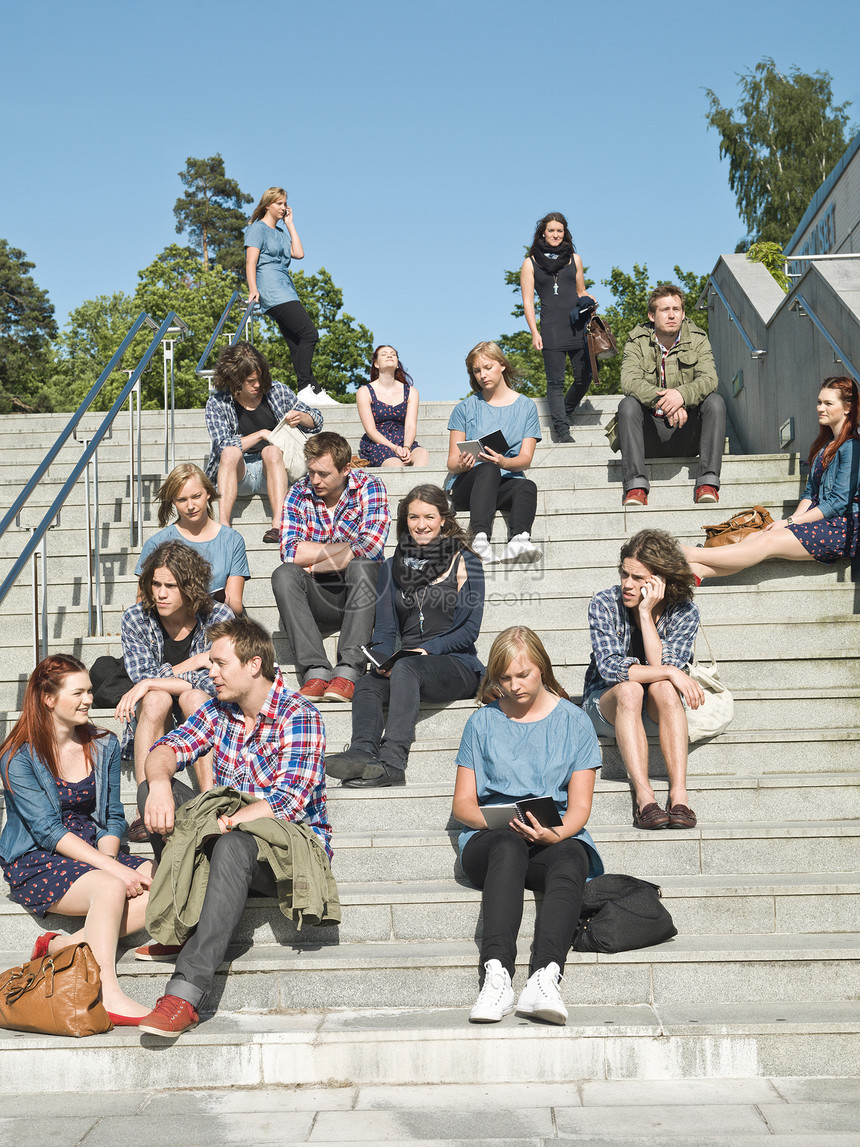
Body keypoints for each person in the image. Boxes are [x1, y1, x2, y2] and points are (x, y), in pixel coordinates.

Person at [135, 616, 333, 1037]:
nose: (210, 672)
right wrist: (157, 784)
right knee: (153, 795)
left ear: (254, 664)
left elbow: (289, 802)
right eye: (211, 664)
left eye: (220, 664)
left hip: (285, 849)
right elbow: (166, 747)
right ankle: (187, 915)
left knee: (234, 845)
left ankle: (184, 995)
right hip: (228, 828)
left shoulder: (299, 715)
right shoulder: (218, 712)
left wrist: (231, 821)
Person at [452, 627, 603, 1025]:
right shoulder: (481, 723)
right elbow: (463, 805)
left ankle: (545, 976)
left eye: (524, 675)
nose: (515, 686)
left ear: (543, 669)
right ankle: (497, 975)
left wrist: (556, 833)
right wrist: (501, 820)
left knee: (572, 854)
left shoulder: (574, 722)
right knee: (507, 844)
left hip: (552, 837)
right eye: (505, 678)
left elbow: (580, 806)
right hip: (491, 840)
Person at [0, 656, 154, 1025]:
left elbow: (113, 816)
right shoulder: (17, 757)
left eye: (90, 691)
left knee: (166, 877)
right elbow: (48, 831)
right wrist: (113, 872)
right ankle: (106, 992)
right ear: (49, 699)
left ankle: (63, 945)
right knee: (109, 887)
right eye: (79, 692)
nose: (89, 699)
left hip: (91, 845)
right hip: (37, 855)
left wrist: (109, 857)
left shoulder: (104, 744)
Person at [325, 484, 485, 788]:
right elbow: (386, 629)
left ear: (443, 520)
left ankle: (393, 762)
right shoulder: (390, 567)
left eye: (428, 516)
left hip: (456, 664)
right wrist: (383, 660)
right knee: (369, 683)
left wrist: (427, 650)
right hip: (406, 666)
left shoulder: (467, 562)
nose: (421, 525)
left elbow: (469, 630)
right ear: (405, 521)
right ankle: (362, 753)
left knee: (408, 667)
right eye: (413, 517)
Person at [683, 378, 860, 582]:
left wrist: (791, 522)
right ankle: (697, 571)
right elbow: (810, 493)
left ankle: (691, 554)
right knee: (753, 537)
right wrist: (790, 523)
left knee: (767, 541)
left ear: (848, 408)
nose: (820, 408)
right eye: (819, 402)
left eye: (828, 403)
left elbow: (837, 503)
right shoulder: (824, 448)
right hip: (820, 523)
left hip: (842, 529)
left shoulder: (852, 448)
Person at [583, 530, 702, 831]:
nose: (627, 584)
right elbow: (610, 668)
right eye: (625, 574)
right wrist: (671, 671)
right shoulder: (605, 603)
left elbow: (665, 669)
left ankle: (678, 794)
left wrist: (646, 615)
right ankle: (645, 798)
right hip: (607, 705)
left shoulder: (684, 612)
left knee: (663, 686)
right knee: (630, 690)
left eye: (637, 578)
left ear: (661, 580)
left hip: (658, 711)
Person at [271, 431, 391, 703]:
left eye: (323, 474)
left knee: (362, 564)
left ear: (346, 469)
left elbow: (370, 547)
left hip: (360, 595)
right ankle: (316, 671)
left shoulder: (370, 487)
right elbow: (290, 552)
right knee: (284, 575)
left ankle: (348, 670)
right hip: (318, 597)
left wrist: (314, 563)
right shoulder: (298, 493)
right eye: (312, 472)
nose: (315, 480)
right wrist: (344, 550)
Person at [117, 541, 233, 795]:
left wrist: (152, 682)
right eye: (156, 584)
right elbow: (142, 678)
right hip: (157, 715)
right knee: (156, 698)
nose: (160, 594)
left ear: (190, 588)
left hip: (205, 714)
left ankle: (211, 799)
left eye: (170, 586)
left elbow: (218, 683)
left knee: (194, 697)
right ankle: (144, 803)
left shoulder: (218, 616)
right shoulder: (136, 618)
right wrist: (195, 663)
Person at [617, 284, 725, 507]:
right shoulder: (636, 340)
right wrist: (666, 402)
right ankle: (636, 487)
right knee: (627, 405)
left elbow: (709, 378)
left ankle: (707, 483)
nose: (672, 314)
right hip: (650, 435)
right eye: (665, 309)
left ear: (683, 313)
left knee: (715, 402)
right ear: (651, 315)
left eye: (676, 309)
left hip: (686, 432)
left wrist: (682, 396)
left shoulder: (698, 338)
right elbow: (629, 381)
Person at [205, 341, 323, 544]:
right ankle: (224, 526)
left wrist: (301, 417)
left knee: (272, 452)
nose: (257, 385)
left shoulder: (277, 391)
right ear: (234, 380)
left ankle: (278, 524)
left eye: (259, 378)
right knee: (230, 453)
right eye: (250, 381)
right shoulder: (218, 403)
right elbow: (222, 444)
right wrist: (261, 434)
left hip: (276, 469)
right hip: (239, 473)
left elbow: (317, 419)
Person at [446, 342, 542, 564]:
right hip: (467, 487)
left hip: (503, 482)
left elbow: (525, 460)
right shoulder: (465, 408)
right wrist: (463, 464)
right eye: (477, 370)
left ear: (502, 365)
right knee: (488, 469)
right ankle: (479, 540)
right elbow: (451, 462)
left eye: (487, 367)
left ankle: (519, 540)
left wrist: (504, 462)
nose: (482, 375)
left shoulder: (526, 407)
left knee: (527, 485)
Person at [245, 186, 334, 403]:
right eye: (280, 204)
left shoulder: (281, 232)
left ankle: (314, 389)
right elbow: (251, 261)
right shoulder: (257, 229)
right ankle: (304, 387)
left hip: (286, 287)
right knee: (309, 334)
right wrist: (253, 288)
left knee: (296, 341)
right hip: (271, 287)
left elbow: (299, 253)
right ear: (268, 205)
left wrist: (290, 224)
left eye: (285, 204)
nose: (284, 207)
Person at [520, 212, 596, 443]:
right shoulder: (530, 263)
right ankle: (562, 429)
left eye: (559, 231)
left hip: (577, 325)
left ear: (565, 233)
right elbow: (527, 302)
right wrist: (535, 332)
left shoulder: (575, 259)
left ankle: (564, 409)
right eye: (551, 230)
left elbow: (580, 290)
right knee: (555, 382)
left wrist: (588, 298)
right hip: (551, 328)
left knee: (586, 375)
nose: (555, 234)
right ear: (543, 232)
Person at [136, 463, 249, 614]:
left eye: (196, 496)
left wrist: (226, 602)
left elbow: (236, 604)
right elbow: (141, 602)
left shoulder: (232, 540)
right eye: (182, 500)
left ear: (208, 492)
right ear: (173, 501)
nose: (190, 506)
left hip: (216, 624)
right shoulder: (156, 543)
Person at [356, 344, 430, 468]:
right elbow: (370, 430)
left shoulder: (411, 391)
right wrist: (394, 448)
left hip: (403, 440)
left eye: (393, 354)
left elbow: (411, 425)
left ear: (397, 363)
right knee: (395, 464)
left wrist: (406, 447)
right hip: (378, 443)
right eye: (384, 354)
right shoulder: (364, 391)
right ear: (376, 364)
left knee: (422, 454)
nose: (389, 355)